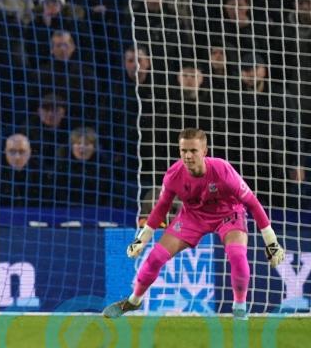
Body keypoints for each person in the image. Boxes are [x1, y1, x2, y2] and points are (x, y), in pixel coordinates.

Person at [103, 128, 286, 320]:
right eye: (184, 151)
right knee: (155, 257)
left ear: (204, 152)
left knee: (237, 255)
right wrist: (142, 239)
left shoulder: (222, 170)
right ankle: (134, 301)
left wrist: (271, 241)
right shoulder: (173, 175)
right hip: (193, 217)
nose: (188, 156)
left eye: (193, 151)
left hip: (228, 213)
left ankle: (239, 307)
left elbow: (253, 203)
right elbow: (161, 208)